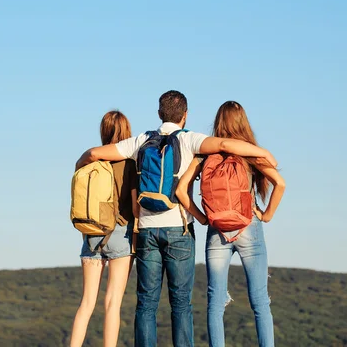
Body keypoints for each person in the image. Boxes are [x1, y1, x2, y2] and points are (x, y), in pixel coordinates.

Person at [75, 91, 278, 347]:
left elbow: (94, 154)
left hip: (148, 231)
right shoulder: (189, 139)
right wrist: (264, 154)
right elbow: (226, 145)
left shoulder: (141, 140)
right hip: (179, 229)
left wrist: (78, 166)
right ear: (185, 115)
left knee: (146, 304)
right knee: (181, 303)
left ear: (160, 113)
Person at [176, 101, 286, 347]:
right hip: (249, 226)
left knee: (215, 302)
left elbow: (182, 190)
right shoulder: (250, 152)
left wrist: (203, 218)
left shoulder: (205, 155)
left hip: (217, 231)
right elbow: (280, 183)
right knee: (259, 301)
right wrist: (266, 215)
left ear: (218, 122)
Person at [70, 110, 138, 347]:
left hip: (91, 233)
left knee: (86, 302)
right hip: (121, 232)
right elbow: (134, 205)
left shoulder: (90, 161)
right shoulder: (129, 162)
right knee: (112, 303)